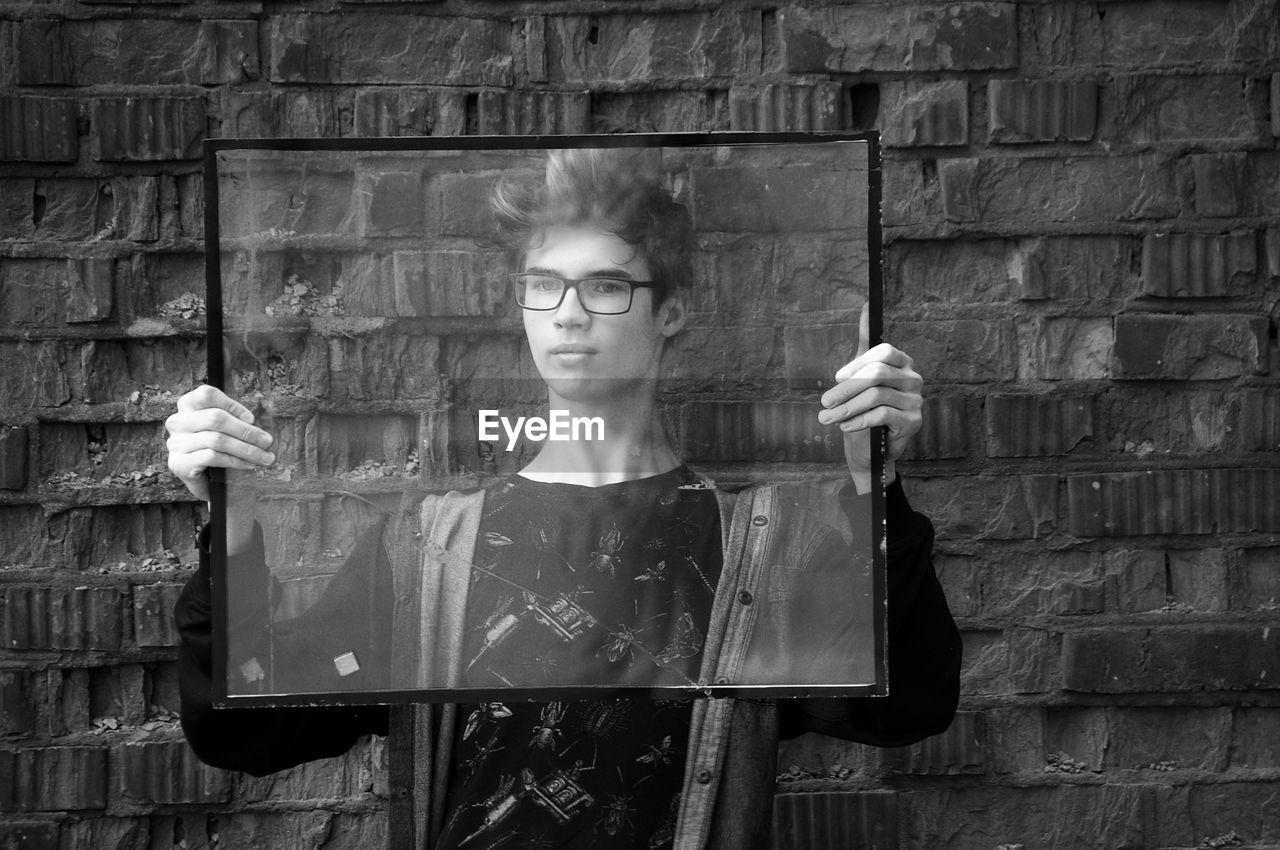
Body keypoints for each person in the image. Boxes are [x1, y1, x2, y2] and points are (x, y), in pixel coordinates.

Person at [169, 148, 960, 849]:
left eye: (606, 286)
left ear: (671, 311)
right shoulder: (428, 547)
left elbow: (910, 705)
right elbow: (248, 731)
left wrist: (872, 483)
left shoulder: (755, 543)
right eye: (544, 286)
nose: (569, 314)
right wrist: (229, 529)